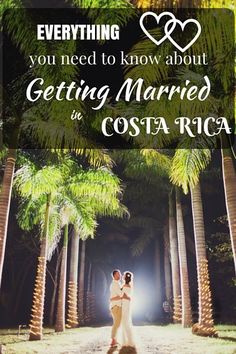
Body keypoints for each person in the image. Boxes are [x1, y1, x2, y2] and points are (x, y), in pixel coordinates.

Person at [121, 271, 135, 348]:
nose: (122, 276)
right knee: (125, 321)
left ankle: (127, 340)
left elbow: (125, 296)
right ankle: (126, 340)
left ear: (125, 277)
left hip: (125, 304)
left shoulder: (126, 286)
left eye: (123, 275)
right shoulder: (128, 285)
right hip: (126, 303)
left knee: (124, 321)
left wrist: (122, 296)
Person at [109, 269, 122, 347]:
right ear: (114, 276)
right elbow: (120, 294)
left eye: (120, 273)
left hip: (117, 305)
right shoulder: (115, 284)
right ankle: (113, 340)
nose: (119, 275)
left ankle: (115, 339)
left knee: (117, 323)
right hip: (116, 306)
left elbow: (119, 296)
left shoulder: (118, 283)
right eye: (118, 274)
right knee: (117, 323)